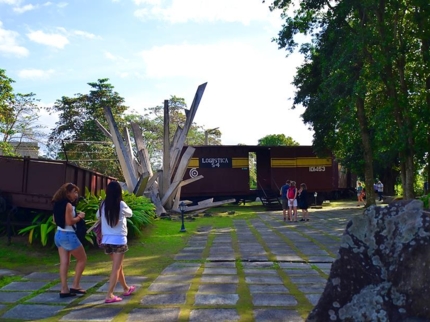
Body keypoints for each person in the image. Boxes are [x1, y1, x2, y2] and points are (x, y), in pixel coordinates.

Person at [97, 181, 135, 303]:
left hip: (106, 240)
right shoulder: (121, 204)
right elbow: (130, 214)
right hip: (118, 239)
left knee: (118, 266)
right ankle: (109, 294)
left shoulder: (103, 204)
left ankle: (126, 288)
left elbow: (98, 216)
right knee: (116, 268)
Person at [52, 183, 87, 298]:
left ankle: (64, 289)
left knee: (64, 262)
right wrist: (80, 216)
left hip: (59, 234)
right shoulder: (68, 205)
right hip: (68, 235)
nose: (76, 195)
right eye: (74, 192)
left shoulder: (57, 204)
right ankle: (76, 285)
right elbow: (70, 222)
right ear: (68, 193)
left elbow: (54, 220)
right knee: (82, 259)